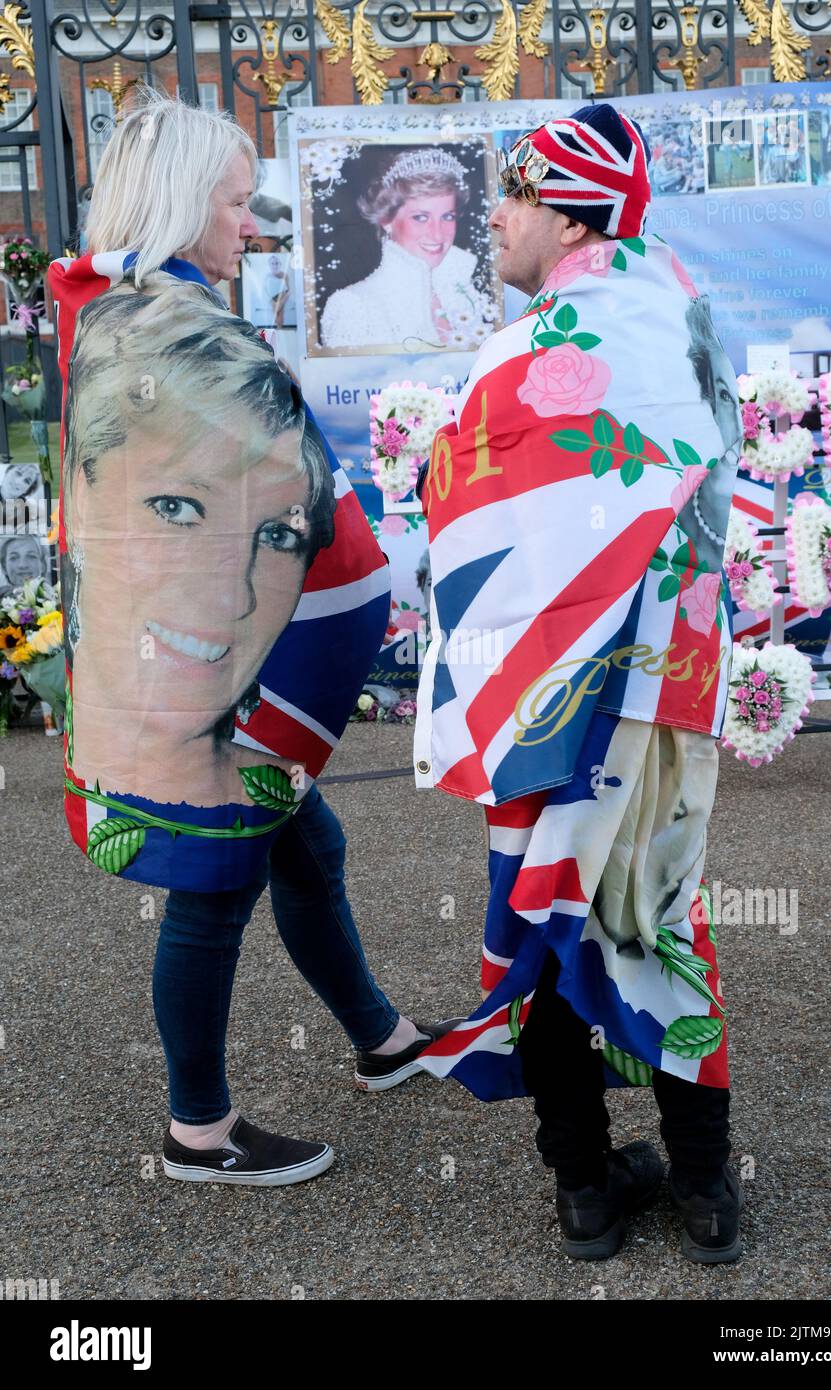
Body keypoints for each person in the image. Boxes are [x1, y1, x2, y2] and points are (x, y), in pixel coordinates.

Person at [49, 86, 454, 1191]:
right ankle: (199, 1134)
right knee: (214, 879)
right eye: (237, 202)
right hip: (212, 659)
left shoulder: (132, 312)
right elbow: (275, 490)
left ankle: (378, 1038)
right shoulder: (174, 328)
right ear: (186, 204)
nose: (253, 224)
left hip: (209, 650)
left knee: (303, 845)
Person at [413, 104, 744, 1264]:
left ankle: (586, 1188)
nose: (490, 221)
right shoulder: (680, 314)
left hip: (545, 697)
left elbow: (455, 511)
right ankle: (705, 1189)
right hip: (659, 687)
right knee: (658, 909)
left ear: (562, 210)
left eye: (509, 198)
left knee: (541, 913)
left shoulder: (534, 347)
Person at [319, 146, 495, 352]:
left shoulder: (465, 291)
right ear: (386, 219)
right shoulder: (351, 306)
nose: (437, 234)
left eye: (448, 217)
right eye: (421, 217)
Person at [0, 531, 49, 596]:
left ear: (43, 565)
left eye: (31, 556)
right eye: (14, 558)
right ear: (4, 567)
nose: (23, 565)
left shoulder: (58, 599)